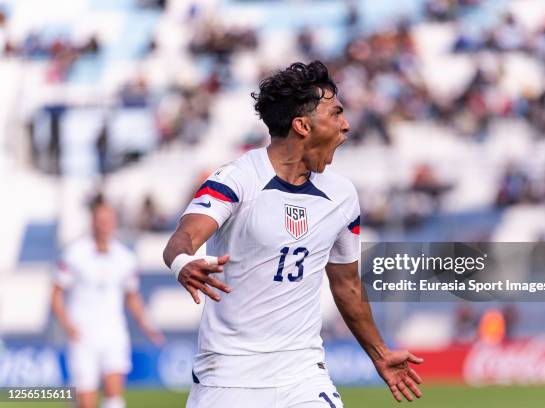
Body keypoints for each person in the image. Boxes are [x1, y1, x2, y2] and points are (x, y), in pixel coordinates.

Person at [163, 60, 423, 407]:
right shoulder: (236, 179)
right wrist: (183, 262)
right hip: (229, 376)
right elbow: (185, 236)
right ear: (302, 125)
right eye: (336, 114)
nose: (346, 126)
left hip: (302, 374)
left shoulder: (343, 196)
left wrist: (379, 354)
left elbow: (346, 284)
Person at [51, 195, 165, 408]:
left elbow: (132, 297)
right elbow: (56, 294)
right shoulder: (74, 254)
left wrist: (148, 326)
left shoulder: (125, 257)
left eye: (108, 219)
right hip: (82, 335)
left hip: (113, 332)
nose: (104, 224)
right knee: (85, 401)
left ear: (114, 221)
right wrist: (68, 325)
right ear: (92, 221)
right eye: (100, 219)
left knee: (114, 396)